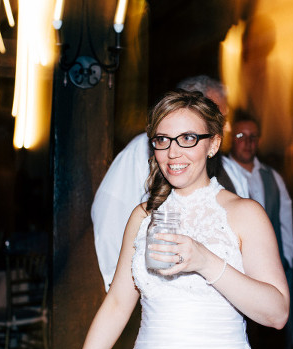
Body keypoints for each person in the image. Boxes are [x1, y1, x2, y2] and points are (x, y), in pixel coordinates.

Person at [50, 90, 289, 349]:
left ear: (213, 145)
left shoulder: (244, 214)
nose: (173, 152)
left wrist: (206, 261)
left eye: (188, 139)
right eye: (162, 139)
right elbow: (116, 305)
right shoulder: (142, 217)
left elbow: (276, 313)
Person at [90, 75, 238, 290]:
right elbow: (110, 213)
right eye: (217, 114)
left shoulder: (231, 172)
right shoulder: (140, 150)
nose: (225, 125)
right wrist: (120, 281)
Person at [223, 110, 293, 349]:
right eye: (241, 136)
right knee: (237, 337)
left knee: (274, 336)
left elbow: (286, 220)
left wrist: (288, 260)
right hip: (230, 271)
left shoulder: (272, 177)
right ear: (230, 138)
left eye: (253, 136)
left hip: (269, 269)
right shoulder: (219, 172)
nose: (248, 142)